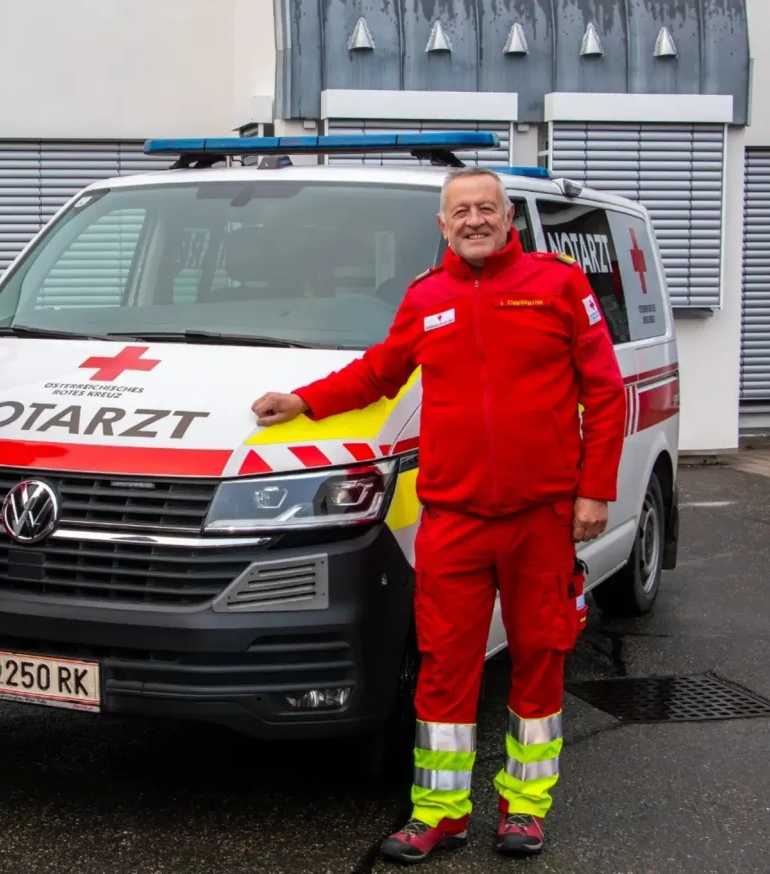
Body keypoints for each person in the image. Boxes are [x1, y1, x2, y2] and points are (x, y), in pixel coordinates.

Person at [251, 167, 626, 863]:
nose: (475, 219)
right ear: (443, 225)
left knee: (539, 660)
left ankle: (524, 807)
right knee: (445, 669)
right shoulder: (428, 297)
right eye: (462, 210)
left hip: (540, 515)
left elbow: (605, 392)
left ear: (508, 217)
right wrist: (303, 401)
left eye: (488, 207)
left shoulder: (558, 285)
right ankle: (440, 813)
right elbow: (378, 373)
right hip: (454, 517)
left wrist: (594, 489)